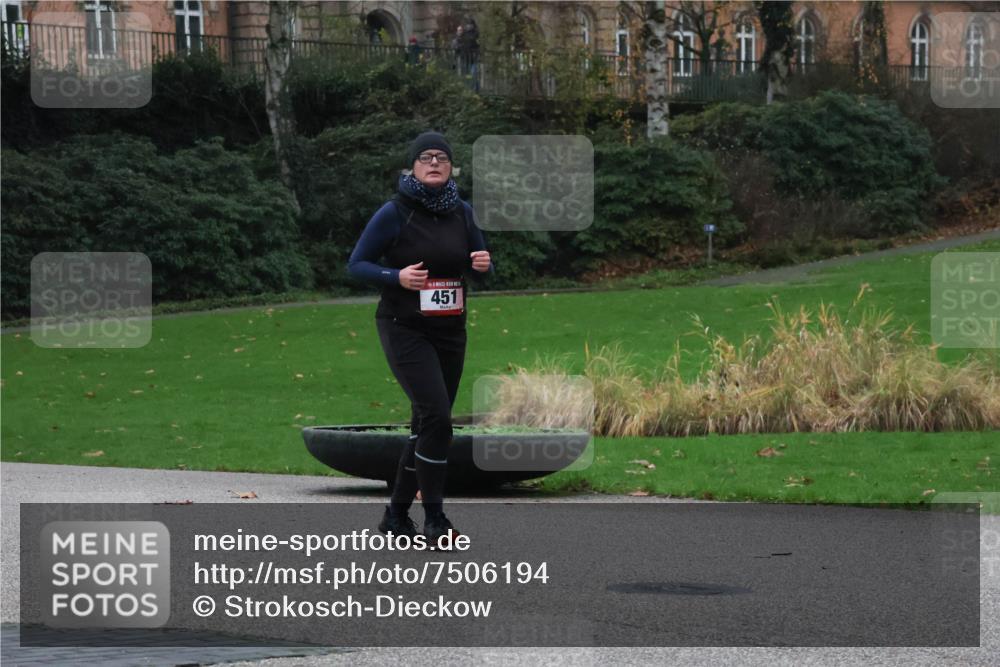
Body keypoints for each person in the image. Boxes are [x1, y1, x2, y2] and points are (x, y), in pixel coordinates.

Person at [347, 131, 493, 548]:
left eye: (442, 158)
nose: (434, 163)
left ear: (451, 168)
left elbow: (478, 265)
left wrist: (483, 265)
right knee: (438, 420)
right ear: (412, 166)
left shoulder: (463, 212)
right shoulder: (395, 212)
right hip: (403, 326)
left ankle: (395, 516)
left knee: (425, 424)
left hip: (451, 331)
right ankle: (435, 519)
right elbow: (356, 264)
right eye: (425, 157)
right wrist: (397, 277)